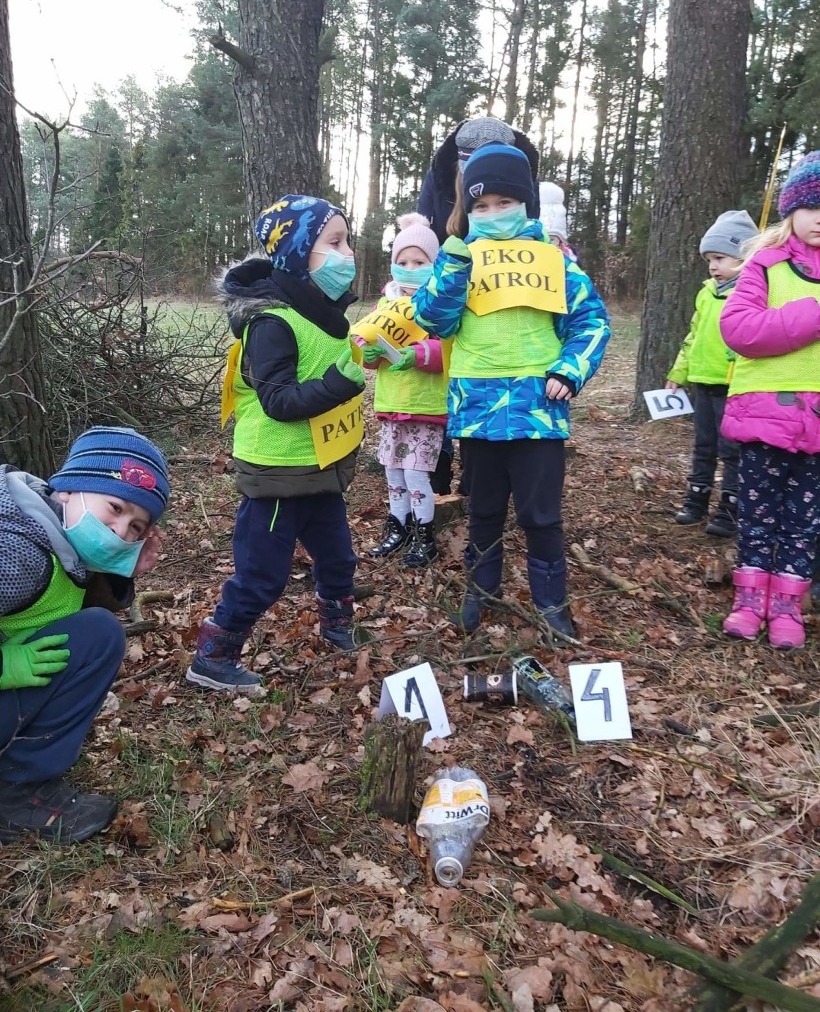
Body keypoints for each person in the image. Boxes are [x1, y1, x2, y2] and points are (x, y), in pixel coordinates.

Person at [412, 144, 611, 636]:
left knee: (540, 514)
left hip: (538, 407)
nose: (493, 214)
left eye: (505, 203)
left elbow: (590, 319)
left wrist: (570, 370)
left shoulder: (553, 258)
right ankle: (480, 593)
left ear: (526, 204)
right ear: (467, 210)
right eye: (481, 205)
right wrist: (454, 265)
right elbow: (431, 318)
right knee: (482, 509)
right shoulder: (460, 256)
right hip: (475, 406)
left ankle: (551, 603)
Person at [187, 195, 366, 692]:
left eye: (347, 240)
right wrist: (344, 380)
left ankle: (337, 624)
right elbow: (279, 401)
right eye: (334, 242)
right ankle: (213, 655)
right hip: (276, 475)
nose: (346, 252)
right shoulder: (272, 322)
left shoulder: (322, 313)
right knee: (262, 574)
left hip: (321, 468)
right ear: (296, 252)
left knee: (338, 558)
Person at [0, 427, 169, 844]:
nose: (120, 531)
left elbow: (57, 599)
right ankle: (15, 798)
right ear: (69, 489)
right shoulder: (12, 553)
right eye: (115, 507)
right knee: (99, 637)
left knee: (95, 632)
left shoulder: (37, 519)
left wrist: (118, 570)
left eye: (136, 527)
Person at [719, 152, 820, 648]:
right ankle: (748, 600)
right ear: (792, 209)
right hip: (764, 415)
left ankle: (787, 607)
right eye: (812, 205)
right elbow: (739, 329)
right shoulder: (765, 263)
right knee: (759, 511)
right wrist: (814, 314)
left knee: (805, 518)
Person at [359, 214, 449, 568]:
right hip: (391, 404)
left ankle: (424, 535)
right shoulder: (386, 304)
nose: (410, 269)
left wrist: (419, 354)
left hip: (425, 406)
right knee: (393, 472)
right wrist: (370, 355)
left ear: (433, 264)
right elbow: (373, 345)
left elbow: (451, 350)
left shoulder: (441, 304)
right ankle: (398, 526)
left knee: (416, 475)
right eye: (403, 262)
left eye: (419, 262)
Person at [665, 210, 759, 537]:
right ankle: (696, 500)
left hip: (735, 385)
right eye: (709, 260)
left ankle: (730, 509)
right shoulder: (706, 293)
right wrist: (680, 372)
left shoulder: (752, 294)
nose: (713, 266)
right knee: (703, 445)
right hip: (703, 381)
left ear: (743, 257)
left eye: (720, 258)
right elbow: (693, 335)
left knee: (733, 450)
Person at [417, 117, 541, 242]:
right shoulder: (440, 181)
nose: (493, 214)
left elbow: (531, 224)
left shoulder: (526, 182)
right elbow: (422, 238)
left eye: (504, 202)